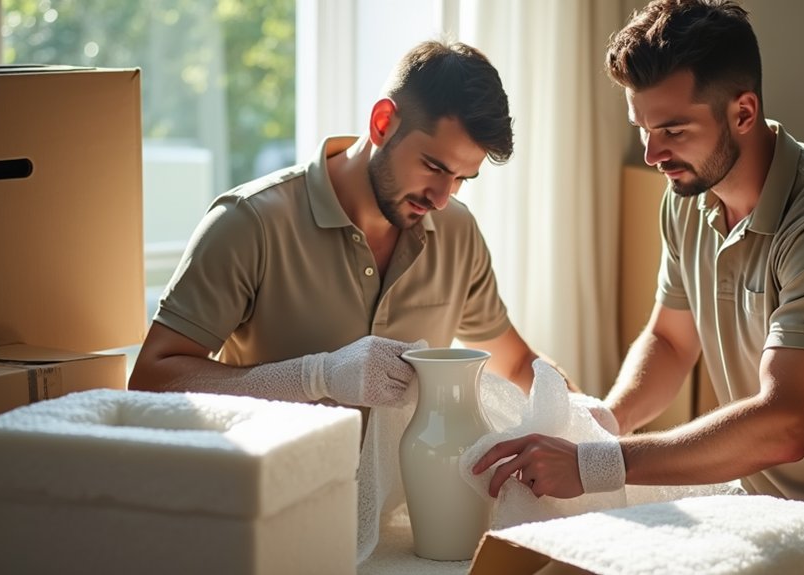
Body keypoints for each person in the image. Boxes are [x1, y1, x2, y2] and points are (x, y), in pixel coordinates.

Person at [471, 1, 804, 572]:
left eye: (673, 129)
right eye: (642, 128)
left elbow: (784, 424)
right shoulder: (686, 198)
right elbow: (669, 342)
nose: (652, 154)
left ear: (743, 112)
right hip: (785, 518)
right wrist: (605, 422)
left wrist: (598, 462)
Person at [129, 40, 559, 416]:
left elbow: (517, 366)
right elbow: (151, 380)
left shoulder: (457, 231)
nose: (442, 198)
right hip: (277, 501)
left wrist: (590, 423)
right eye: (433, 166)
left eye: (463, 178)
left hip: (408, 508)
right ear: (382, 123)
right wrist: (316, 376)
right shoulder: (249, 223)